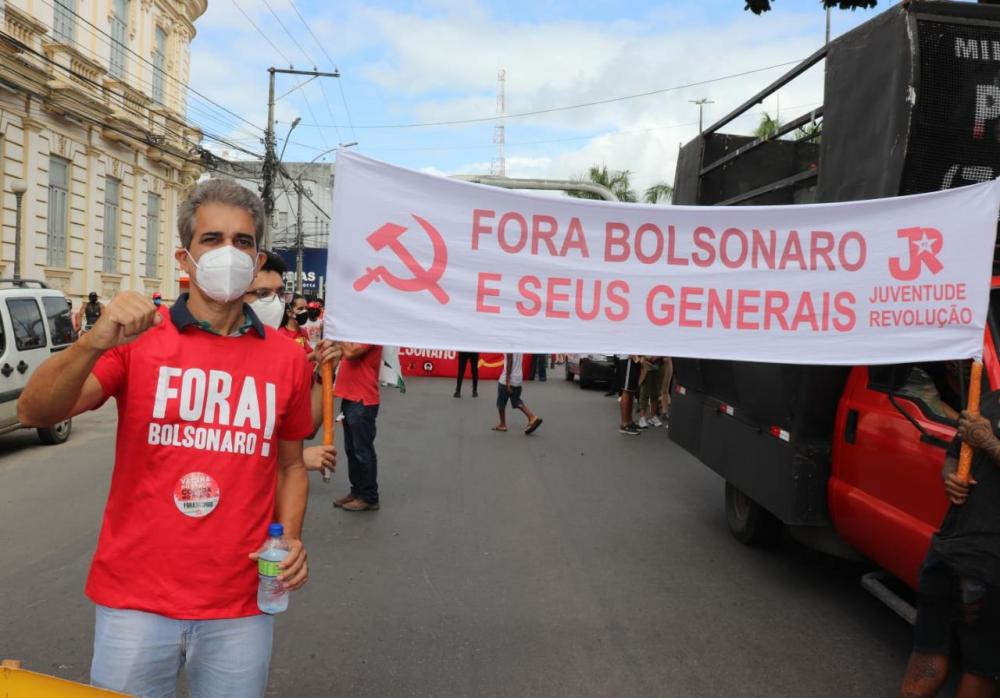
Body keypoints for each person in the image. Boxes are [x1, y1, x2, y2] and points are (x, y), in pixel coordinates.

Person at [17, 178, 316, 698]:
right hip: (134, 601)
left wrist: (288, 538)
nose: (229, 252)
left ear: (258, 255)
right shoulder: (138, 339)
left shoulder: (286, 356)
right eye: (212, 239)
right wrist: (92, 342)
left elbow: (290, 465)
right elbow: (35, 409)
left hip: (241, 604)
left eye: (243, 242)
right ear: (186, 256)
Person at [899, 386, 1000, 697]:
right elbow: (955, 454)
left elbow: (983, 441)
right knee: (929, 648)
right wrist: (951, 477)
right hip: (948, 548)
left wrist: (990, 443)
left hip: (991, 562)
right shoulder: (991, 399)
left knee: (980, 666)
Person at [246, 253, 336, 478]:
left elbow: (305, 428)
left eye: (278, 294)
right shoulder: (213, 353)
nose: (273, 302)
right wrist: (296, 460)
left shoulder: (287, 355)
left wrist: (324, 374)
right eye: (262, 294)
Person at [333, 342, 383, 512]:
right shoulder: (355, 332)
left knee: (362, 450)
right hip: (350, 397)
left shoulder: (370, 331)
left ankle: (369, 497)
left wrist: (338, 337)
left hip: (362, 399)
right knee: (351, 449)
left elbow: (351, 352)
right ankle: (357, 492)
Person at [493, 353, 543, 434]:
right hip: (518, 378)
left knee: (500, 402)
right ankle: (532, 417)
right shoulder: (518, 346)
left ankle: (502, 424)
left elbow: (510, 360)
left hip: (508, 378)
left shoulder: (508, 346)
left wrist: (507, 380)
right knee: (516, 400)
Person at [617, 355, 642, 435]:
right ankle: (624, 424)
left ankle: (629, 422)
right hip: (628, 360)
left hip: (633, 360)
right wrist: (637, 359)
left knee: (631, 392)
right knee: (626, 391)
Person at [638, 356, 664, 428]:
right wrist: (642, 358)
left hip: (659, 365)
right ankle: (642, 418)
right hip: (646, 365)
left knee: (655, 394)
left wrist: (658, 356)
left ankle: (652, 417)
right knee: (644, 393)